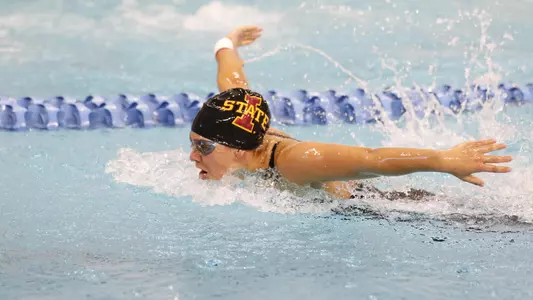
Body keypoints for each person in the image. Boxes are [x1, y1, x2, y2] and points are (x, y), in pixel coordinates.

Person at [189, 25, 513, 200]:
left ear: (239, 149)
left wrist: (442, 160)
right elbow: (232, 80)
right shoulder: (240, 117)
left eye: (202, 147)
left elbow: (371, 159)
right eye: (194, 143)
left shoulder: (295, 160)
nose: (192, 156)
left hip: (371, 208)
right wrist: (226, 42)